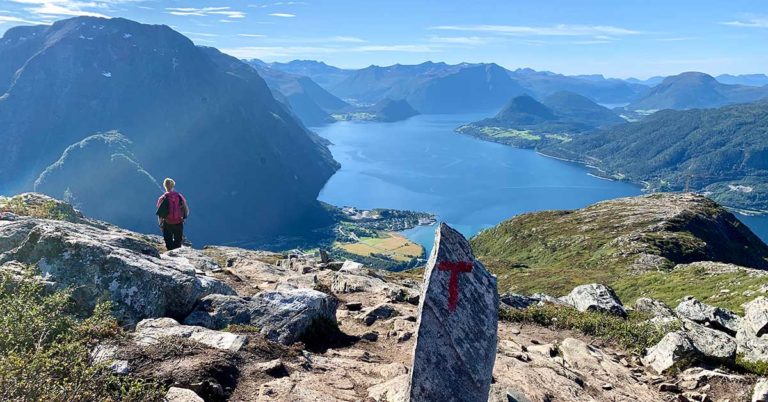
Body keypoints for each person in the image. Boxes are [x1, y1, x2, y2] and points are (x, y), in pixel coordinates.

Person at [156, 178, 189, 250]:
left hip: (167, 223)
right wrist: (183, 217)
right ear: (173, 185)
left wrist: (161, 225)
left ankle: (170, 256)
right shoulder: (179, 196)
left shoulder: (162, 198)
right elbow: (186, 209)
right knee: (177, 243)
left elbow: (160, 213)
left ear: (165, 186)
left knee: (169, 244)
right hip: (178, 222)